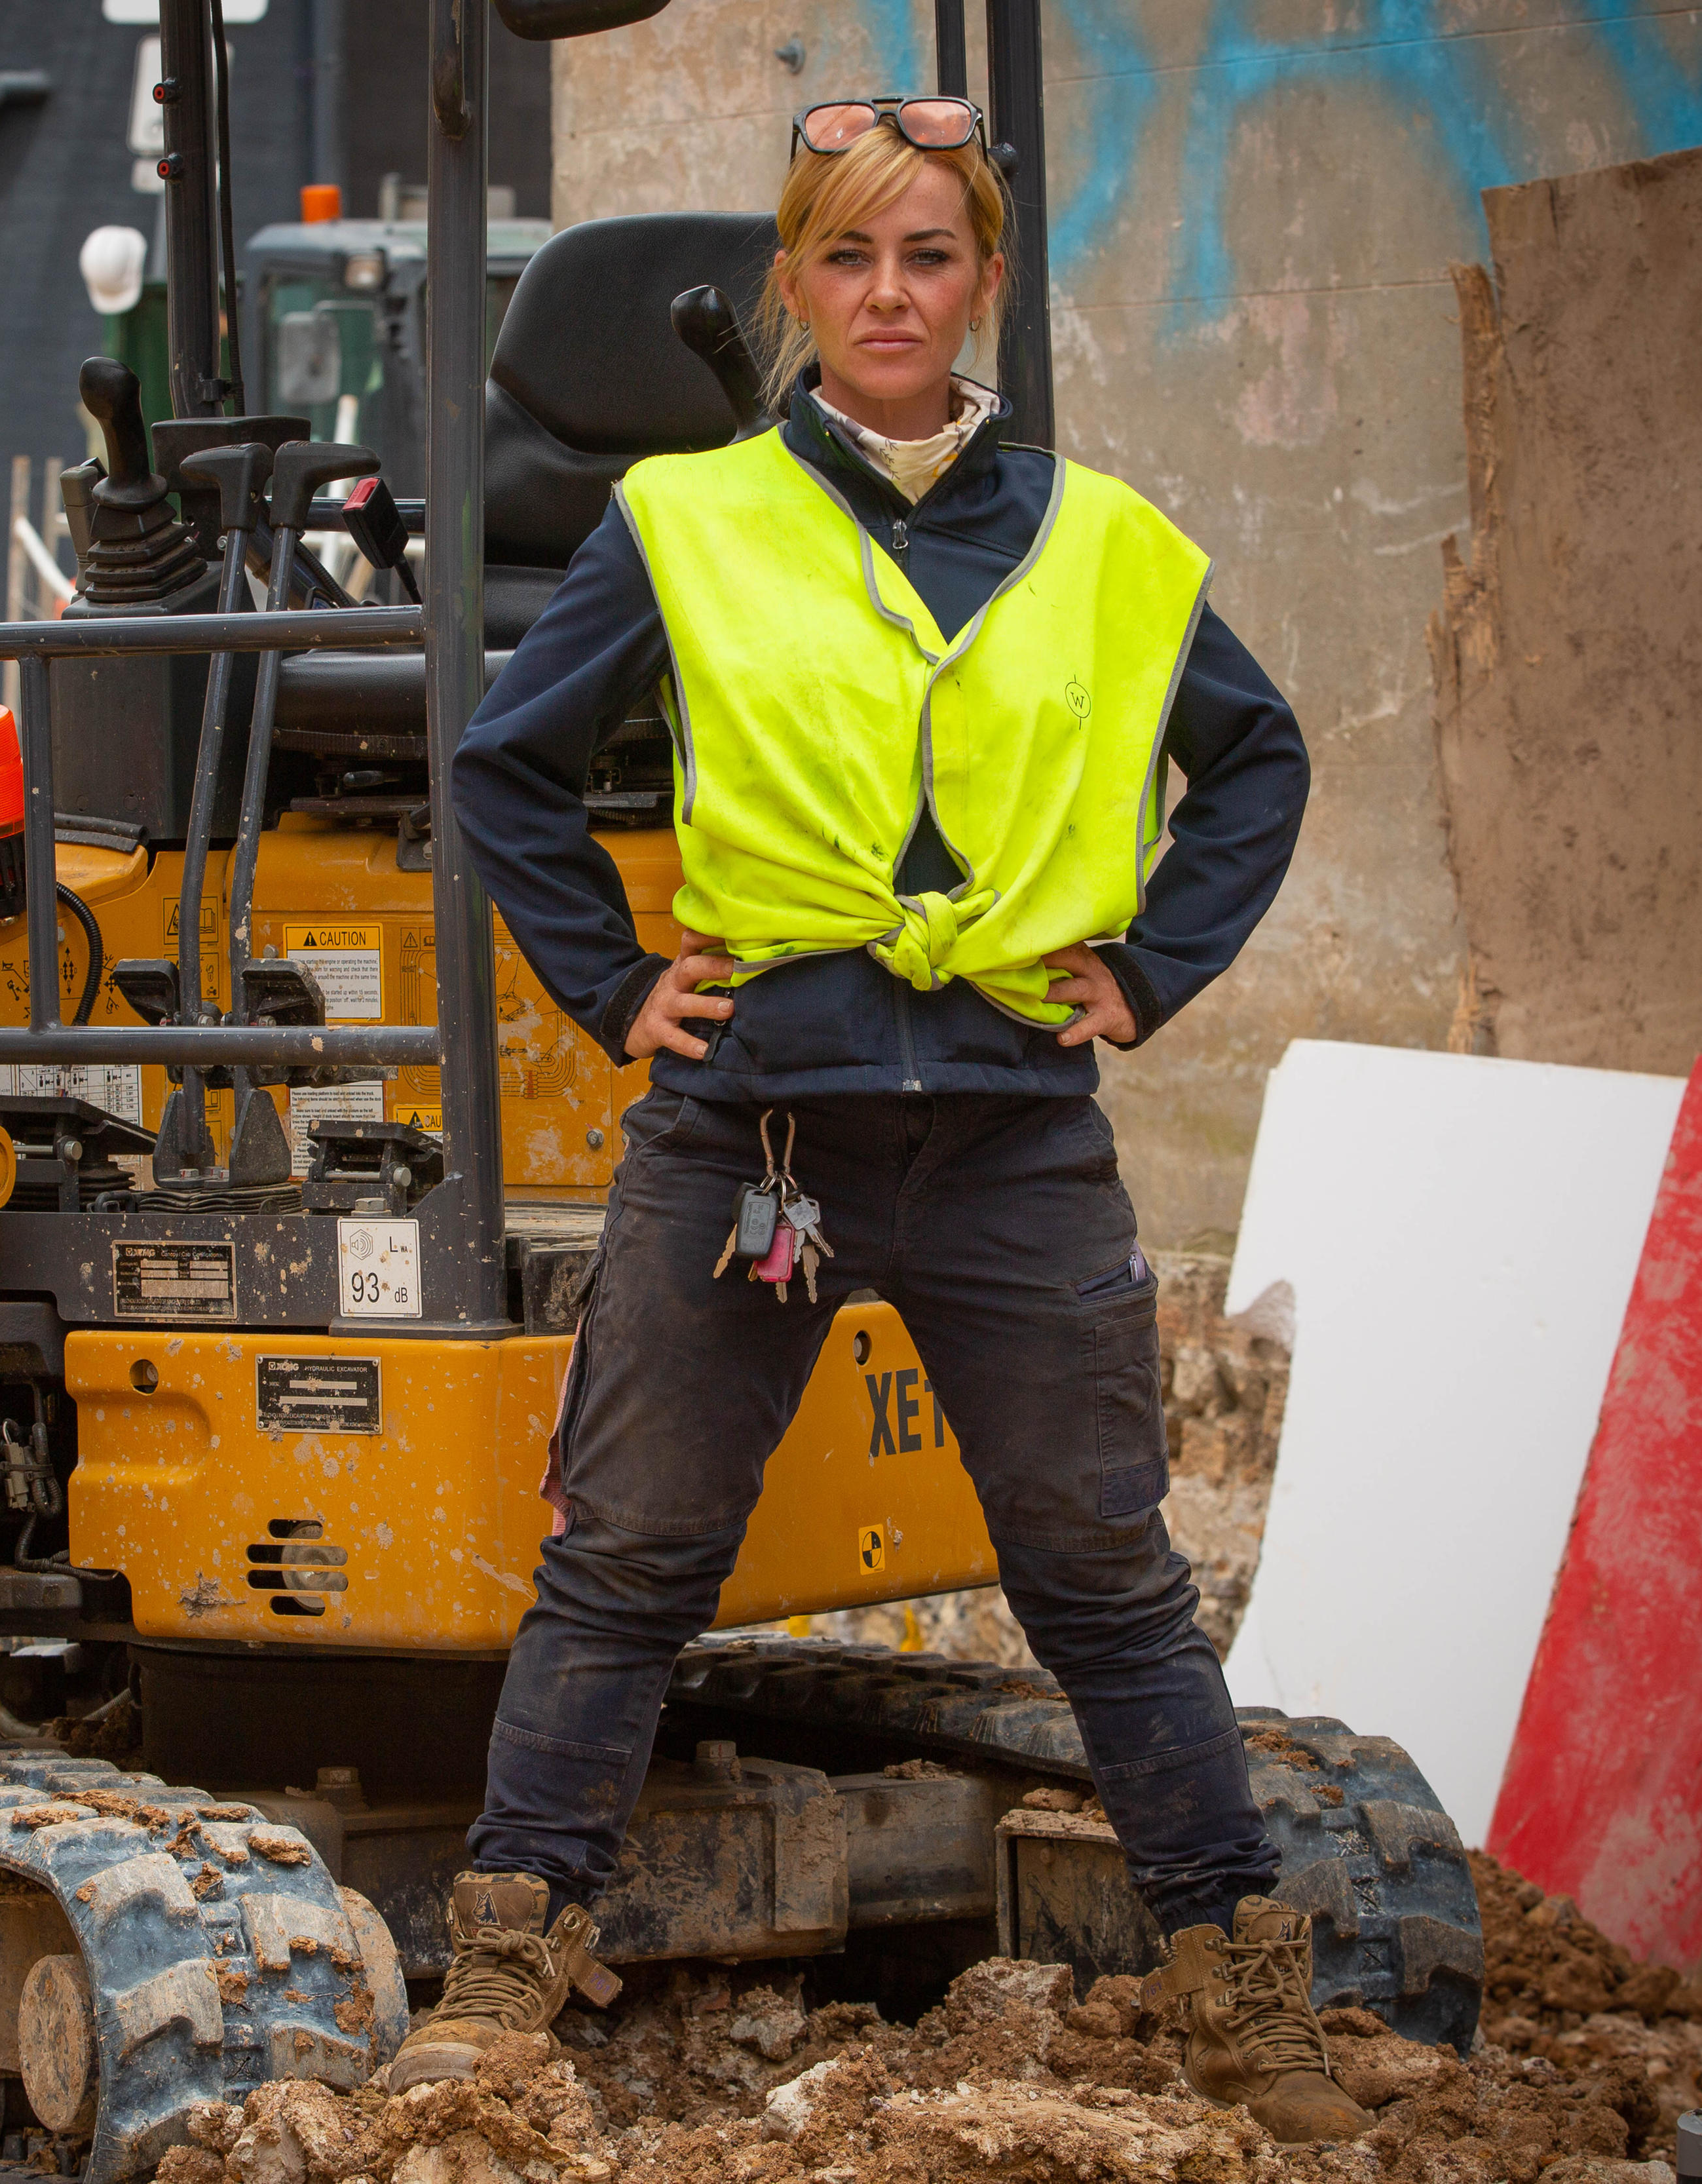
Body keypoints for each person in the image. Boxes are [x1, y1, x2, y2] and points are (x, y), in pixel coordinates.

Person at [411, 96, 1354, 2141]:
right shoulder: (689, 517)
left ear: (982, 279)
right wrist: (616, 985)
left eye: (926, 255)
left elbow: (1255, 757)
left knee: (1103, 1581)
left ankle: (1237, 1998)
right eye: (846, 259)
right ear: (792, 287)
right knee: (626, 1560)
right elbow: (504, 765)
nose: (888, 294)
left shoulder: (1103, 543)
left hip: (1012, 1132)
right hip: (752, 1127)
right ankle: (497, 1982)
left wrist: (1151, 964)